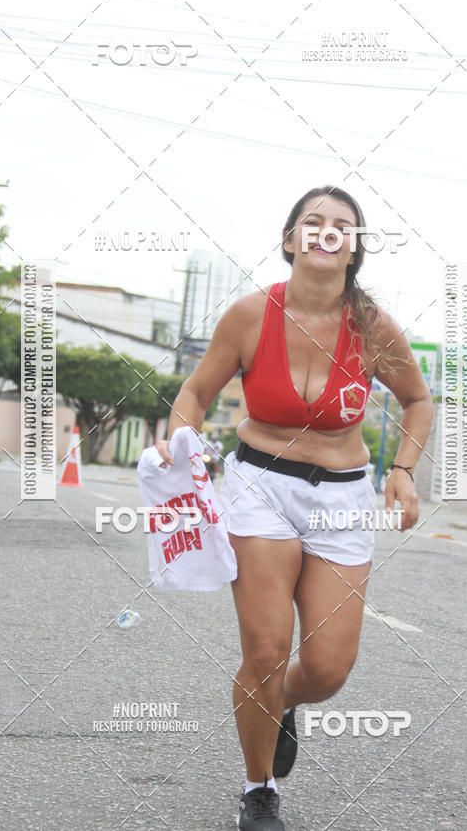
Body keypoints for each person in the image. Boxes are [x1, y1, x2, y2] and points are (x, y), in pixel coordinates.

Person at [156, 186, 433, 830]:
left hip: (342, 497)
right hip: (259, 488)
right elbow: (194, 392)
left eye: (342, 225)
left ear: (354, 249)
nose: (326, 231)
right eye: (313, 222)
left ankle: (275, 705)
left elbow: (418, 400)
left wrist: (403, 472)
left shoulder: (373, 326)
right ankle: (259, 791)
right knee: (265, 649)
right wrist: (182, 443)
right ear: (291, 240)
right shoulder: (250, 315)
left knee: (330, 668)